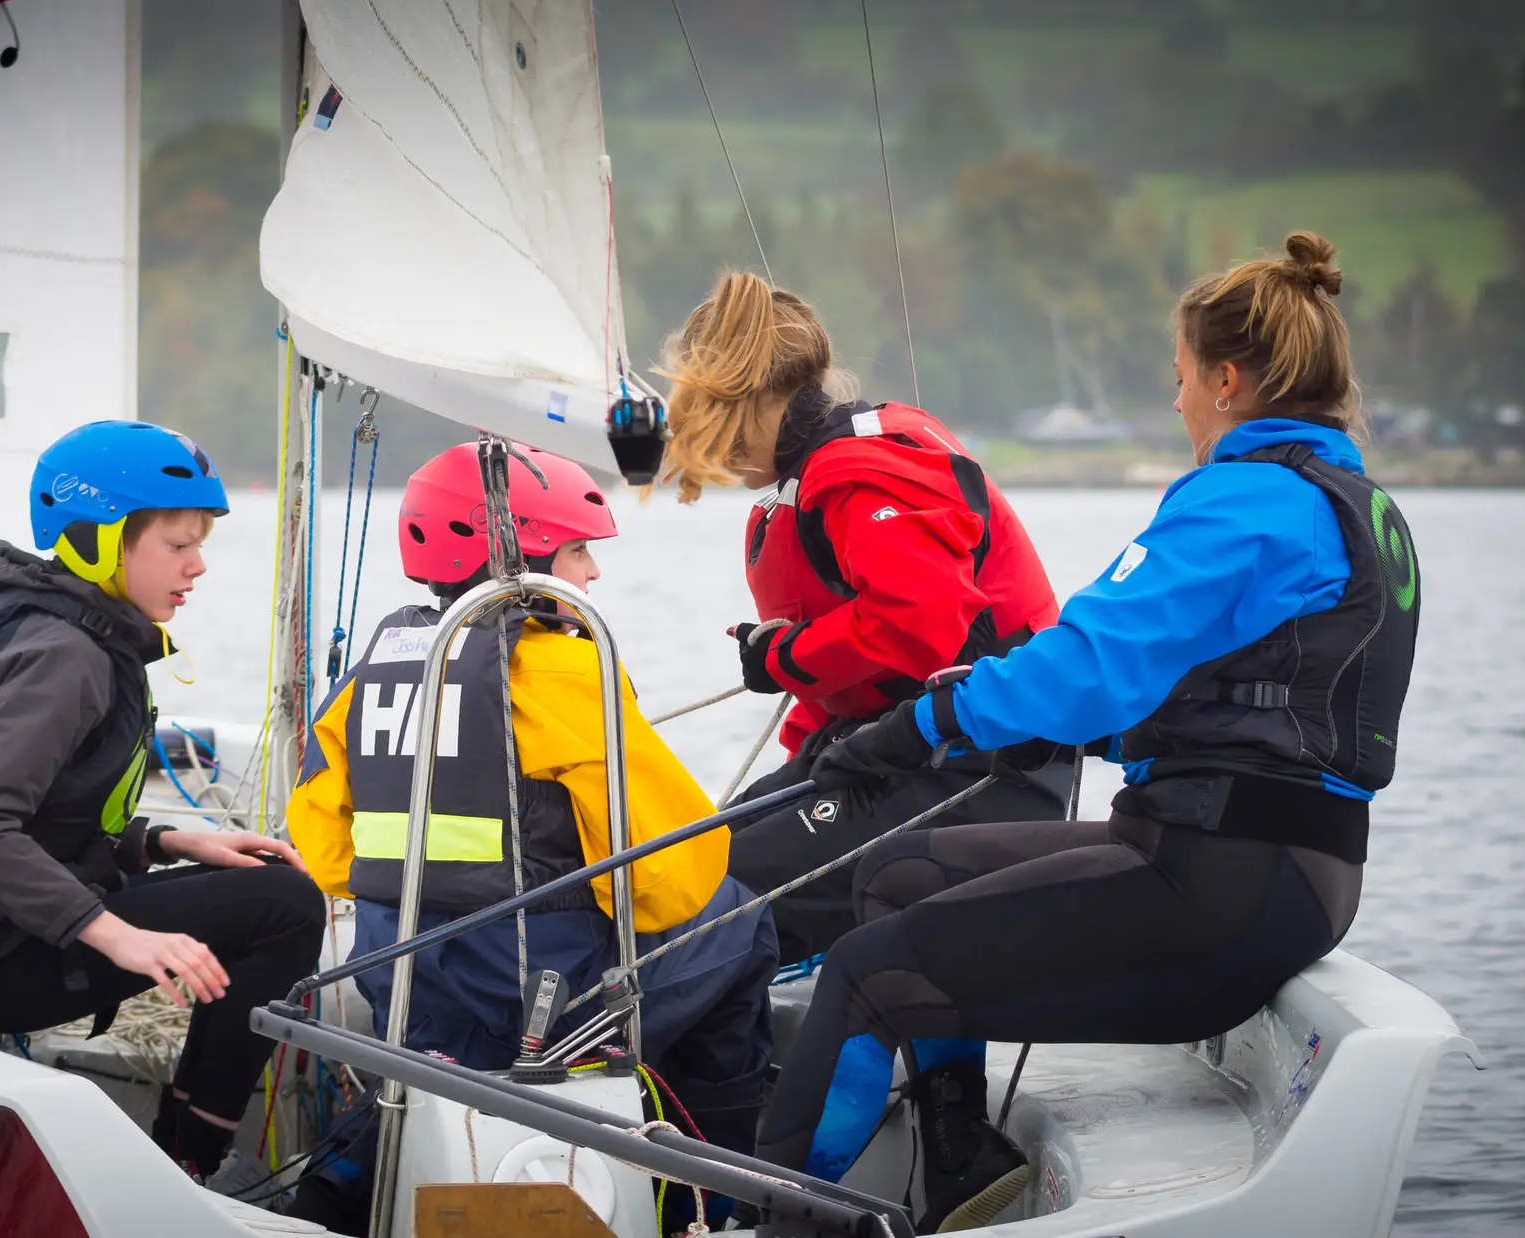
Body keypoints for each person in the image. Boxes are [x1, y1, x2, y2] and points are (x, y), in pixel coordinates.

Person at [754, 233, 1420, 1231]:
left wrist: (927, 719)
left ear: (1228, 380)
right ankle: (960, 1158)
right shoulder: (1346, 504)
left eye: (1181, 378)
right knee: (894, 879)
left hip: (1220, 880)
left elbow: (1086, 658)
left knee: (866, 975)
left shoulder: (1248, 504)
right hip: (1264, 864)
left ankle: (765, 1223)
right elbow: (1240, 703)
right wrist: (1059, 736)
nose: (1178, 402)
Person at [284, 443, 779, 1235]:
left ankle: (340, 1183)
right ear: (518, 554)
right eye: (579, 550)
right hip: (541, 995)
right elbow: (673, 876)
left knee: (427, 1050)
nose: (591, 575)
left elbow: (330, 853)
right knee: (743, 921)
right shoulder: (567, 671)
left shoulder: (372, 677)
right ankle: (716, 1202)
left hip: (407, 989)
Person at [0, 420, 327, 1180]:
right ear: (98, 540)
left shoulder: (63, 629)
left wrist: (169, 843)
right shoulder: (66, 655)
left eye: (201, 544)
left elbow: (56, 814)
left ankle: (183, 1151)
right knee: (285, 905)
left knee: (262, 888)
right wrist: (121, 937)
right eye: (177, 545)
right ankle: (186, 1164)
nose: (198, 567)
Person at [654, 272, 1066, 967]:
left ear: (754, 399)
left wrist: (784, 657)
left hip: (977, 769)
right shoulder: (823, 470)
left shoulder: (860, 473)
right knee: (684, 867)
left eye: (712, 415)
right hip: (889, 750)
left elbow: (919, 624)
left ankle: (714, 1071)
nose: (713, 448)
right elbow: (856, 678)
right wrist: (799, 758)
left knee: (718, 898)